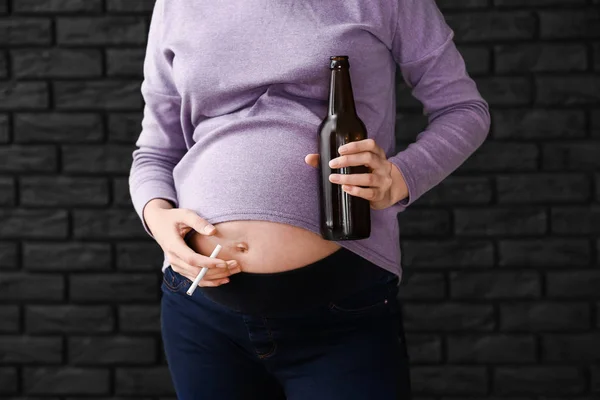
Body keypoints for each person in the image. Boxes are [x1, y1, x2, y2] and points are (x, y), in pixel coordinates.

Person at [128, 0, 490, 398]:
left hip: (342, 311)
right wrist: (158, 218)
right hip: (201, 316)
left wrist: (401, 178)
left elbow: (463, 109)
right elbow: (155, 152)